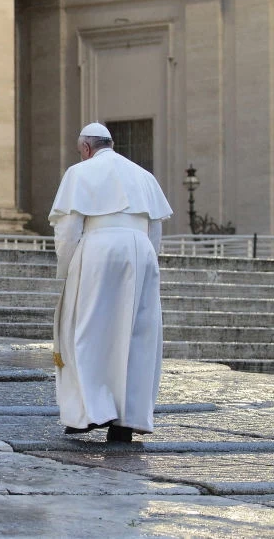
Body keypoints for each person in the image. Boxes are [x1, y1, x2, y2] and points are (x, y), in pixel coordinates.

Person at [48, 122, 173, 442]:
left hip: (98, 250)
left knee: (86, 331)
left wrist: (66, 269)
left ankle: (90, 413)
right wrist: (148, 262)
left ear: (86, 148)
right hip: (141, 251)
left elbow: (68, 229)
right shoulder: (145, 177)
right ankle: (126, 421)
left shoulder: (80, 173)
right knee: (137, 335)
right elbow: (155, 230)